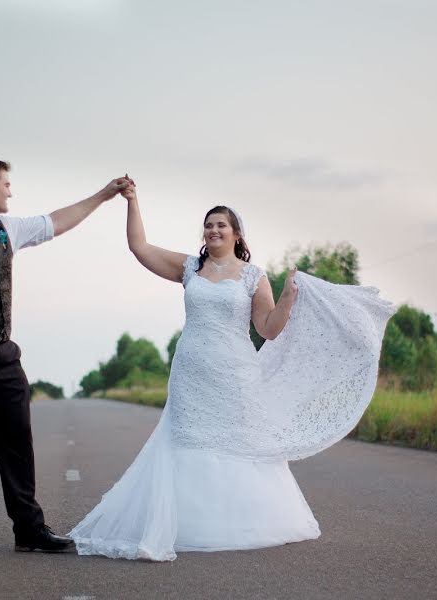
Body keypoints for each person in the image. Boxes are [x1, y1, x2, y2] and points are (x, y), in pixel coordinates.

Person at [69, 180, 395, 561]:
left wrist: (288, 296)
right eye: (208, 225)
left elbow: (268, 329)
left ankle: (245, 522)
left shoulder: (253, 276)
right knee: (189, 441)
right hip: (192, 369)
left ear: (236, 233)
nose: (214, 230)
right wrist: (133, 201)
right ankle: (189, 524)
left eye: (222, 225)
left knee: (239, 441)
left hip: (235, 373)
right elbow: (139, 247)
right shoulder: (190, 267)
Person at [0, 157, 129, 560]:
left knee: (17, 442)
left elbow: (56, 222)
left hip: (4, 353)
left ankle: (28, 530)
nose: (11, 190)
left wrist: (104, 195)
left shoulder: (6, 229)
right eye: (6, 184)